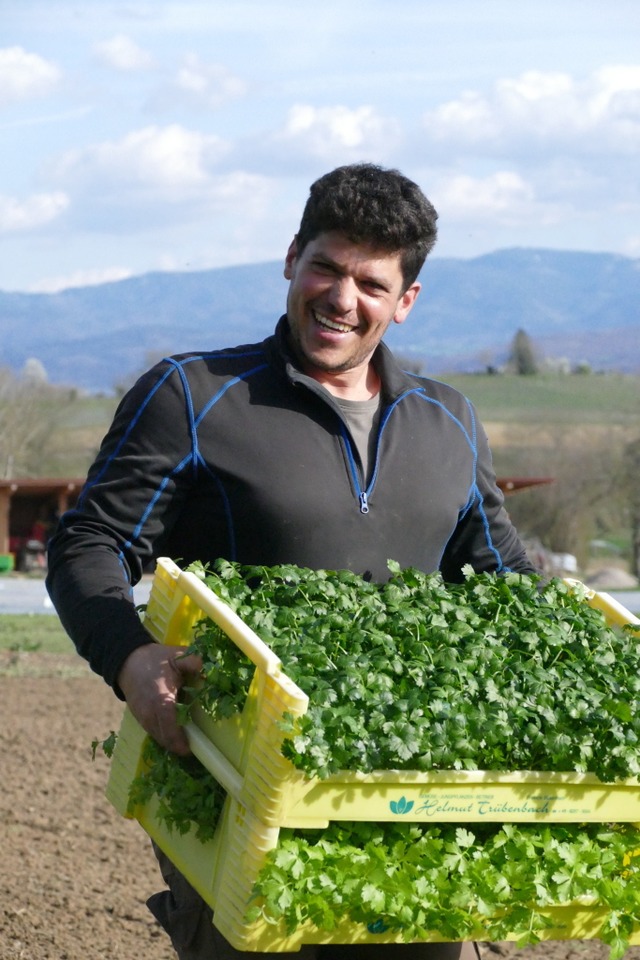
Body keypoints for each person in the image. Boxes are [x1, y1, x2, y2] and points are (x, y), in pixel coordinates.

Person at [47, 163, 536, 960]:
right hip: (240, 787)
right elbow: (88, 543)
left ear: (405, 302)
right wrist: (130, 658)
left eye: (371, 283)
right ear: (290, 259)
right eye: (326, 267)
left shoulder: (448, 420)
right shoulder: (194, 395)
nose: (343, 298)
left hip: (406, 796)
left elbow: (506, 578)